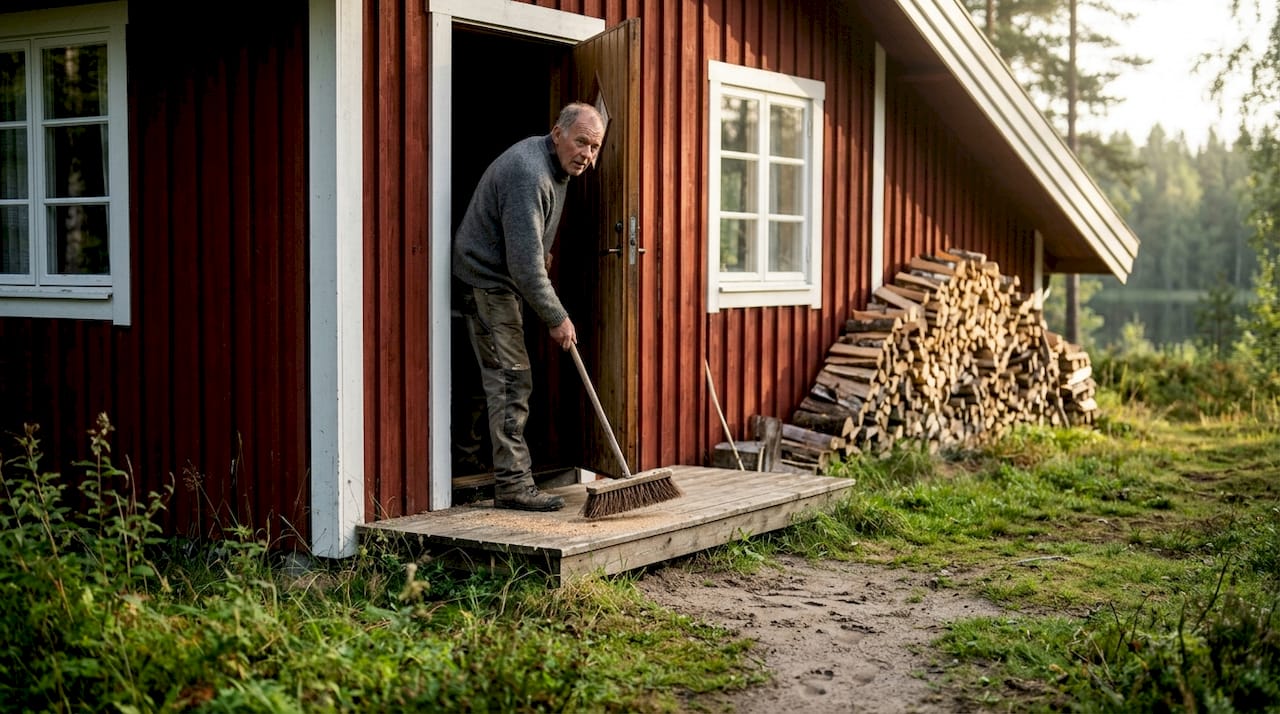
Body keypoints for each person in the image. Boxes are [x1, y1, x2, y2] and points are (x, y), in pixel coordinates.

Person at [452, 102, 605, 511]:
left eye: (594, 147)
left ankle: (471, 460)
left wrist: (539, 262)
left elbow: (528, 245)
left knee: (485, 377)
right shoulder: (529, 172)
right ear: (557, 134)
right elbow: (523, 264)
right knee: (511, 379)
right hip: (487, 281)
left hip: (504, 278)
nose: (587, 155)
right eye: (581, 143)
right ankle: (514, 485)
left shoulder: (560, 167)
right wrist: (557, 316)